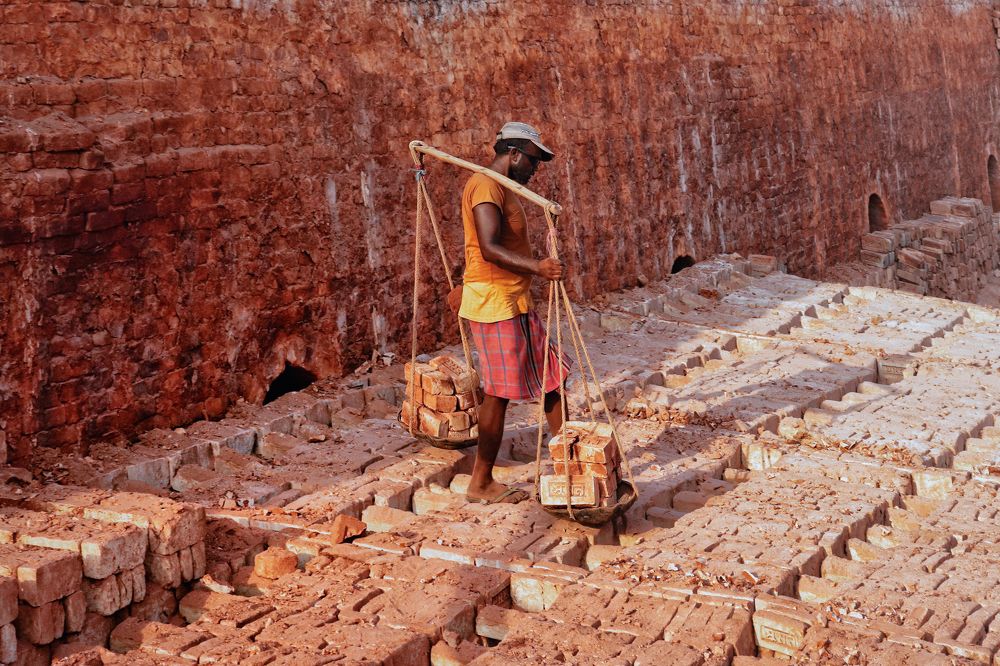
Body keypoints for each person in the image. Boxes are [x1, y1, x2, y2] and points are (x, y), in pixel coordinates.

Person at [459, 122, 570, 504]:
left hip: (516, 299)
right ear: (515, 154)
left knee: (552, 376)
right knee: (499, 393)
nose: (534, 171)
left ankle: (571, 461)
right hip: (494, 302)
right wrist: (537, 267)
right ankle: (481, 481)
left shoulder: (504, 188)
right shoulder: (486, 186)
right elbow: (488, 247)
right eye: (533, 162)